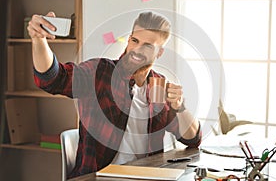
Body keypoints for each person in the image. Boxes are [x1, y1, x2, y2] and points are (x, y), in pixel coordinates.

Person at [27, 11, 202, 178]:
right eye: (135, 40)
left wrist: (179, 107)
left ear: (160, 52)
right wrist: (39, 39)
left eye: (147, 46)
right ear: (129, 40)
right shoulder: (100, 73)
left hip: (146, 177)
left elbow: (193, 140)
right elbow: (54, 79)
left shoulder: (159, 85)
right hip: (100, 177)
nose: (137, 49)